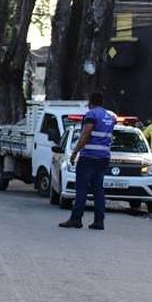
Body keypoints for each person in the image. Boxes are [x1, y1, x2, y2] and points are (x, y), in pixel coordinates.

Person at [59, 91, 115, 230]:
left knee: (82, 189)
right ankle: (99, 221)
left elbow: (85, 134)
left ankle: (76, 219)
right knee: (98, 190)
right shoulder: (110, 117)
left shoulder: (91, 115)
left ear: (91, 102)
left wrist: (75, 152)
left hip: (89, 156)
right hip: (104, 157)